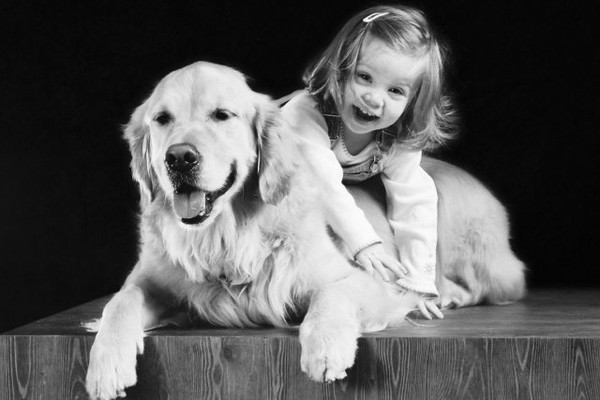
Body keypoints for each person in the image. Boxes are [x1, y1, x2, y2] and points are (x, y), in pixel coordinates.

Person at [280, 5, 456, 319]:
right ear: (340, 69)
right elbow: (322, 182)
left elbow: (414, 199)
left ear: (413, 101)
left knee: (421, 187)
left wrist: (418, 282)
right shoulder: (305, 114)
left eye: (395, 91)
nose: (375, 99)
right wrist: (365, 243)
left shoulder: (396, 136)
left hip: (341, 184)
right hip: (288, 176)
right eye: (365, 77)